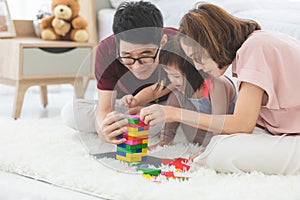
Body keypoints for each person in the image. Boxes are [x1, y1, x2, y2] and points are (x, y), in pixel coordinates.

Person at [139, 3, 300, 174]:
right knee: (219, 146)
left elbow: (242, 124)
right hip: (284, 130)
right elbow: (249, 123)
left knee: (220, 154)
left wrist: (172, 113)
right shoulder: (254, 45)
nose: (199, 67)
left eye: (197, 57)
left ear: (211, 42)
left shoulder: (255, 47)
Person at [61, 1, 177, 142]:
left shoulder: (178, 44)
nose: (137, 66)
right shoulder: (105, 51)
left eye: (146, 55)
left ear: (162, 42)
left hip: (168, 107)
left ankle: (158, 127)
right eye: (127, 57)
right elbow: (105, 109)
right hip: (125, 108)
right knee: (70, 113)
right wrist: (105, 132)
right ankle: (146, 128)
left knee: (185, 117)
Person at [119, 38, 236, 149]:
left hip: (225, 129)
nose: (172, 79)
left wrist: (210, 149)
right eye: (168, 74)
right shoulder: (179, 86)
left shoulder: (216, 85)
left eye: (175, 75)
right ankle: (166, 138)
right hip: (203, 126)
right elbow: (156, 93)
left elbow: (220, 125)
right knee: (175, 95)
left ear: (195, 70)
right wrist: (135, 100)